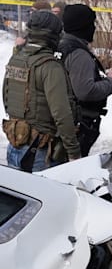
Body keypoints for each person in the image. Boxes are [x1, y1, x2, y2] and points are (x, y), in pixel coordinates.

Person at [2, 10, 78, 172]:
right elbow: (62, 113)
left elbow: (6, 97)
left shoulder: (16, 59)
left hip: (15, 145)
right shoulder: (49, 66)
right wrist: (73, 152)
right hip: (39, 152)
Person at [59, 3, 112, 156]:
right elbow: (86, 91)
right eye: (91, 24)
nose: (94, 28)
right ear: (83, 26)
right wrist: (111, 81)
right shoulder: (78, 53)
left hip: (65, 121)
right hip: (78, 123)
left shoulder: (60, 46)